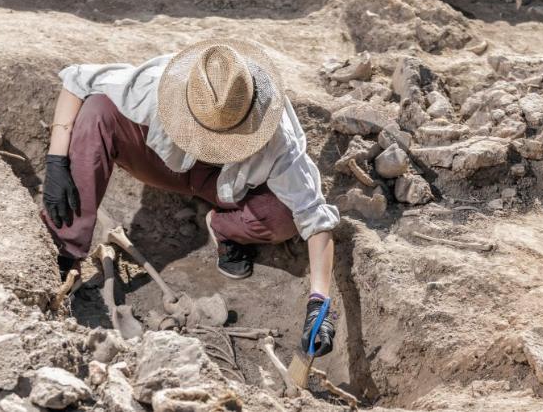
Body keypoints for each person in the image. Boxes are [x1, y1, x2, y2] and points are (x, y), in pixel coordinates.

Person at [42, 39, 338, 357]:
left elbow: (314, 214)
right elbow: (75, 80)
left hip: (229, 187)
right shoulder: (157, 85)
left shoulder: (277, 135)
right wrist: (56, 160)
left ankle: (225, 228)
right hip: (160, 165)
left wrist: (318, 303)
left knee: (283, 217)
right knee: (98, 110)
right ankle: (64, 257)